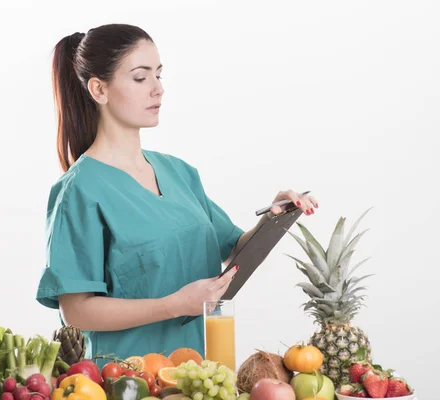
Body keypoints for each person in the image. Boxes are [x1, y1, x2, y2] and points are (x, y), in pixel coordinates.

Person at [35, 24, 318, 365]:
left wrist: (274, 219)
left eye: (159, 75)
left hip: (200, 373)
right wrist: (173, 305)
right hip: (128, 380)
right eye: (141, 78)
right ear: (99, 89)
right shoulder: (79, 190)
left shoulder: (179, 173)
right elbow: (76, 311)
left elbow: (232, 251)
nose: (158, 90)